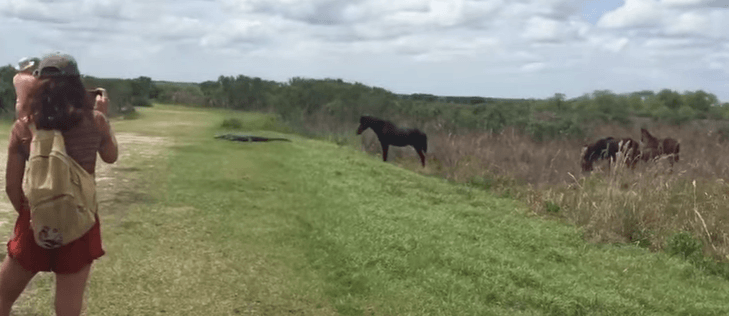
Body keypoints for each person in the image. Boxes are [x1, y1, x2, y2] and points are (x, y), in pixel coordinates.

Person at [0, 53, 118, 316]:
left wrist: (36, 215)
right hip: (80, 220)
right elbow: (111, 157)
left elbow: (11, 187)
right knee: (68, 307)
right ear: (77, 85)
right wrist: (103, 116)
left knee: (2, 295)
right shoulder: (95, 121)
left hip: (36, 220)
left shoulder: (24, 127)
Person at [12, 57, 40, 121]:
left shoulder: (16, 77)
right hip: (29, 107)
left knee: (21, 127)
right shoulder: (31, 79)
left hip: (19, 106)